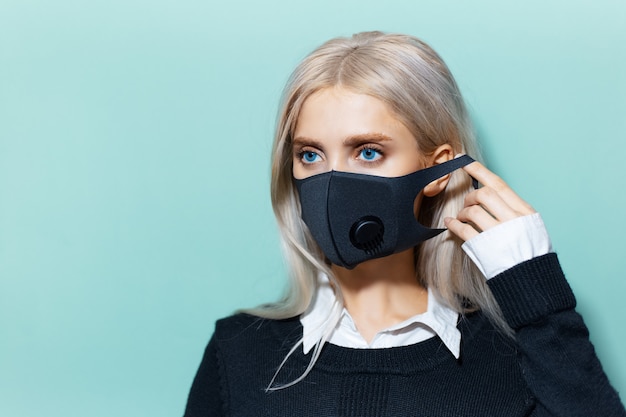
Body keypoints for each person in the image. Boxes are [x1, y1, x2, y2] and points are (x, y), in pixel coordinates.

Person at [184, 31, 626, 416]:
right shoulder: (240, 349)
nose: (332, 183)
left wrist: (539, 296)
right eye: (310, 155)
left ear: (439, 172)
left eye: (368, 152)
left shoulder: (513, 356)